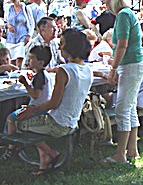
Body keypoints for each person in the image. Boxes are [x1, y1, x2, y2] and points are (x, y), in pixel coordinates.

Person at [16, 29, 93, 174]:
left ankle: (50, 153)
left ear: (71, 46)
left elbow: (54, 103)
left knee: (18, 122)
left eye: (62, 43)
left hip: (57, 123)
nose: (59, 47)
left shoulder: (64, 71)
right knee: (32, 119)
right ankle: (44, 160)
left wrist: (33, 110)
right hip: (73, 122)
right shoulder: (87, 70)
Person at [103, 0, 143, 164]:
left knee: (122, 109)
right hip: (134, 64)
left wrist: (113, 69)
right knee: (130, 108)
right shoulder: (128, 14)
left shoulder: (122, 15)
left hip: (131, 66)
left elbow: (122, 45)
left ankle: (120, 154)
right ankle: (132, 151)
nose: (104, 2)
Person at [3, 45, 54, 159]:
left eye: (32, 59)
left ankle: (12, 146)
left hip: (37, 109)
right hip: (43, 107)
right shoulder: (45, 75)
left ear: (40, 62)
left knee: (11, 118)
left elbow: (36, 95)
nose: (29, 61)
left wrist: (25, 83)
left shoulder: (39, 77)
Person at [6, 0, 35, 69]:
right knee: (11, 58)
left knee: (19, 57)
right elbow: (6, 21)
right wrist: (9, 26)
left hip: (22, 36)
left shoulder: (25, 8)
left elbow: (31, 23)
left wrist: (29, 35)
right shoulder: (9, 8)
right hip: (11, 37)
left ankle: (18, 71)